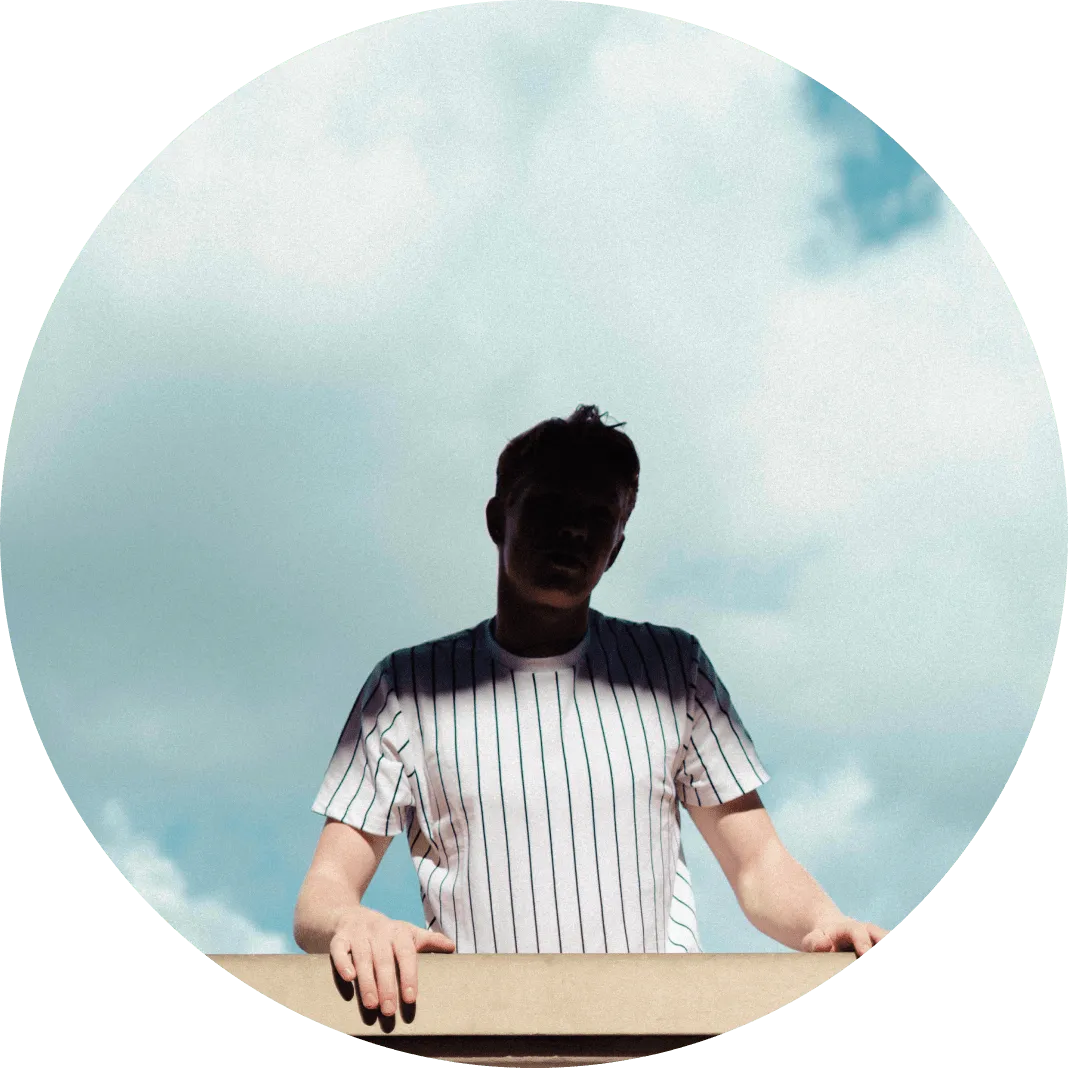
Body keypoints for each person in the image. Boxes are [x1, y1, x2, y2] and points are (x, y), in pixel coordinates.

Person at [293, 405, 888, 1018]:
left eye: (598, 517)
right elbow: (322, 895)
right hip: (484, 1035)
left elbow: (758, 863)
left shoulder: (674, 667)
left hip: (660, 1031)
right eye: (551, 506)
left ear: (616, 548)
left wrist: (825, 922)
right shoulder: (406, 687)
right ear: (498, 519)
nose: (574, 531)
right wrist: (353, 923)